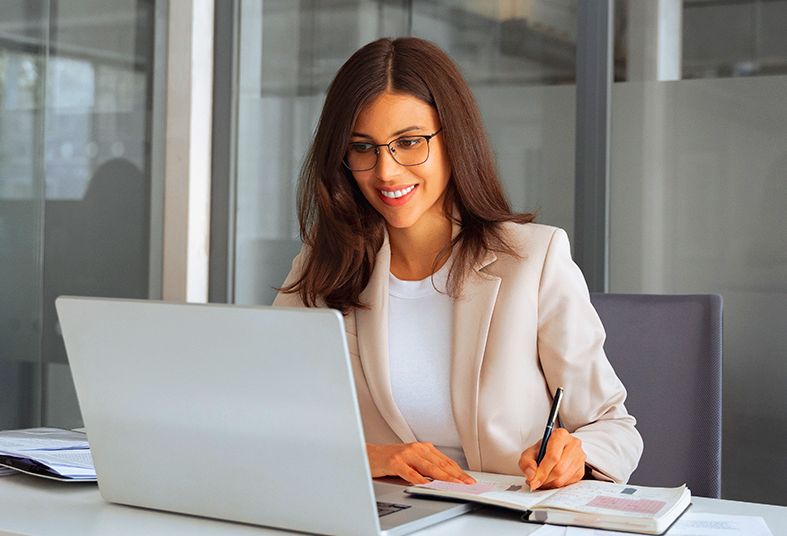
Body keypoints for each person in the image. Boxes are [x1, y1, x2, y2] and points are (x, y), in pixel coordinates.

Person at [273, 37, 642, 490]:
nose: (385, 171)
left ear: (454, 139)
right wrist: (366, 457)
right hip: (383, 518)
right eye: (363, 147)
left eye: (409, 142)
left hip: (503, 519)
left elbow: (614, 425)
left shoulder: (534, 259)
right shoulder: (322, 264)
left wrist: (578, 457)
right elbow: (268, 418)